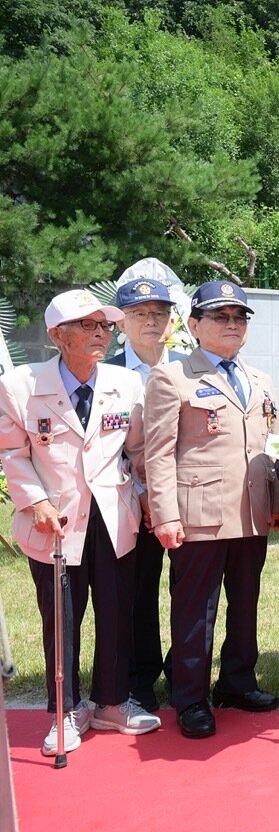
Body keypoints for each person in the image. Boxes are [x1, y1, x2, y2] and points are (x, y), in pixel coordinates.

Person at [0, 289, 160, 755]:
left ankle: (111, 702)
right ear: (57, 334)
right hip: (55, 522)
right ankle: (65, 710)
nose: (100, 334)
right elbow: (12, 452)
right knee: (62, 618)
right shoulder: (21, 386)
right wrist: (35, 501)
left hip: (113, 518)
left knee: (116, 612)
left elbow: (138, 450)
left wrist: (149, 498)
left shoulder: (125, 383)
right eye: (87, 325)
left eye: (105, 326)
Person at [142, 280, 279, 739]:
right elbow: (158, 452)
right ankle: (189, 697)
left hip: (251, 513)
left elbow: (273, 446)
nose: (232, 324)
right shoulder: (172, 377)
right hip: (197, 515)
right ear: (195, 325)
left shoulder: (260, 379)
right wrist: (164, 514)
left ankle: (237, 682)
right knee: (195, 610)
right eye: (221, 316)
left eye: (240, 317)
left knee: (245, 603)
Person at [106, 277, 180, 712]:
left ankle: (185, 671)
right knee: (137, 591)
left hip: (186, 502)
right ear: (122, 323)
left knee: (190, 590)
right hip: (129, 502)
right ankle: (140, 677)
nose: (151, 321)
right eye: (139, 314)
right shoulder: (106, 371)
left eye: (159, 313)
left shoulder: (194, 367)